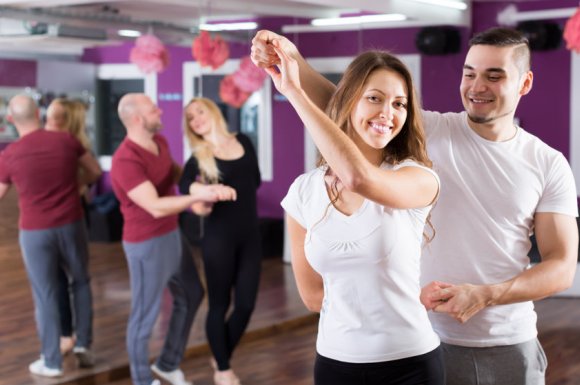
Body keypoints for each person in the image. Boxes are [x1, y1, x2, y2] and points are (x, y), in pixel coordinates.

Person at [251, 27, 579, 385]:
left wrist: (485, 295)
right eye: (469, 73)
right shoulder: (434, 130)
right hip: (426, 336)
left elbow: (561, 268)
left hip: (507, 342)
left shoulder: (548, 163)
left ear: (525, 83)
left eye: (494, 75)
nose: (477, 86)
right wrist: (292, 60)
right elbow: (347, 105)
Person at [268, 43, 444, 384]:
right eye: (374, 98)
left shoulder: (419, 178)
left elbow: (359, 178)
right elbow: (313, 297)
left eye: (399, 104)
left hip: (410, 364)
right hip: (335, 363)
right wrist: (287, 54)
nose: (387, 113)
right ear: (348, 100)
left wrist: (294, 91)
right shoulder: (303, 193)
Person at [111, 93, 237, 385]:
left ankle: (168, 363)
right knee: (144, 316)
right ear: (138, 119)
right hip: (145, 243)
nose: (161, 111)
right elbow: (154, 205)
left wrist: (198, 190)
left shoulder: (160, 143)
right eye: (153, 109)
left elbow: (176, 176)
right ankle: (142, 380)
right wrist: (197, 197)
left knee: (192, 293)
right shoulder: (125, 160)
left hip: (170, 234)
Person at [0, 95, 102, 377]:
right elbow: (94, 171)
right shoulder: (66, 141)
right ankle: (84, 344)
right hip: (71, 223)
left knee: (45, 294)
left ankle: (52, 361)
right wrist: (74, 185)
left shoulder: (9, 154)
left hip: (35, 231)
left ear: (11, 120)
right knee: (80, 281)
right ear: (39, 113)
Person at [178, 97, 262, 385]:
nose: (196, 119)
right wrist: (205, 191)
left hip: (251, 236)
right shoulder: (200, 155)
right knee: (219, 304)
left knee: (247, 305)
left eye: (200, 111)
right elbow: (185, 184)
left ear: (212, 111)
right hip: (218, 239)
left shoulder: (244, 141)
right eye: (190, 117)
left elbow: (256, 181)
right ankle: (223, 369)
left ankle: (220, 351)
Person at [45, 97, 100, 356]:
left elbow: (91, 178)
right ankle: (77, 339)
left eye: (54, 114)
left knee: (67, 279)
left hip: (72, 216)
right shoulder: (75, 146)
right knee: (71, 279)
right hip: (68, 216)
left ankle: (72, 337)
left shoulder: (75, 147)